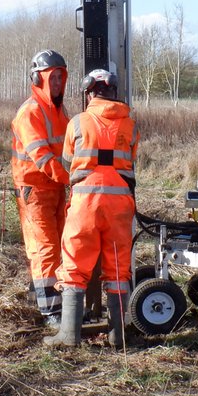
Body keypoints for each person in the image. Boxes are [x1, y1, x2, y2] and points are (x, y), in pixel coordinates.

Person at [46, 68, 139, 349]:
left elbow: (66, 163)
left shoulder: (77, 123)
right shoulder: (130, 126)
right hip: (120, 205)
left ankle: (69, 335)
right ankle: (118, 336)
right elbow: (131, 162)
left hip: (85, 203)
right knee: (119, 269)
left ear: (89, 93)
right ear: (113, 92)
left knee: (75, 266)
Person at [11, 50, 71, 325]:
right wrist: (71, 178)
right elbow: (43, 157)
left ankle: (44, 295)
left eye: (61, 77)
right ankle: (51, 312)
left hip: (56, 188)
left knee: (58, 244)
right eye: (53, 78)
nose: (58, 83)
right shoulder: (30, 112)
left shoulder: (58, 111)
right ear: (38, 79)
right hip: (35, 190)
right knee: (45, 247)